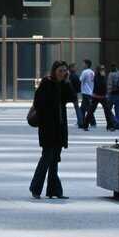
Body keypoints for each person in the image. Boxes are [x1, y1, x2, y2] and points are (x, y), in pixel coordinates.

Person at [30, 60, 73, 200]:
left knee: (54, 160)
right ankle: (36, 188)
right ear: (54, 71)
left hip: (59, 128)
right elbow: (38, 103)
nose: (62, 73)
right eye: (60, 70)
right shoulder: (46, 83)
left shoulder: (63, 85)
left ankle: (54, 191)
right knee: (47, 158)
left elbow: (72, 97)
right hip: (48, 128)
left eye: (64, 71)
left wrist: (67, 82)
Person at [77, 60, 97, 131]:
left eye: (84, 64)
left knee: (88, 108)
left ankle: (92, 122)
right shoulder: (92, 72)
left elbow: (80, 80)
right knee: (83, 108)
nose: (83, 65)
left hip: (85, 92)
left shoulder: (84, 72)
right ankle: (81, 121)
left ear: (87, 64)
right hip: (90, 91)